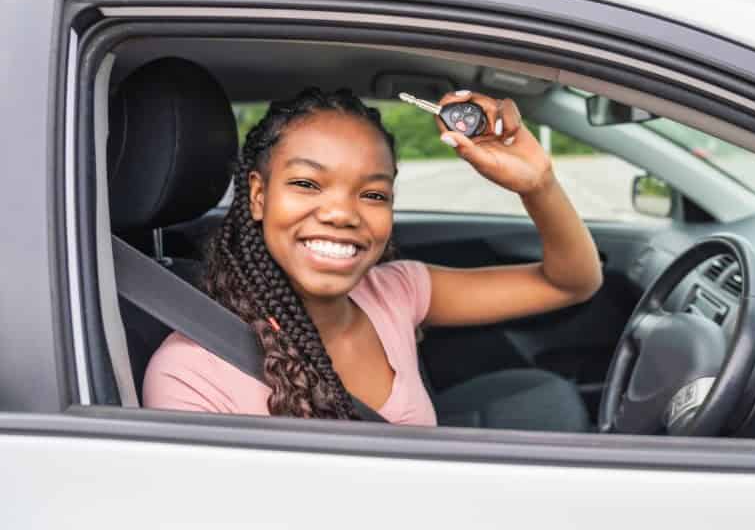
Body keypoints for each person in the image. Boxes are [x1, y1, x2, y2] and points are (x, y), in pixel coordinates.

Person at [143, 88, 603, 425]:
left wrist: (537, 184)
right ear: (259, 196)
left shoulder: (395, 292)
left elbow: (572, 282)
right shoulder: (191, 377)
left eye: (373, 194)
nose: (342, 213)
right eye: (306, 184)